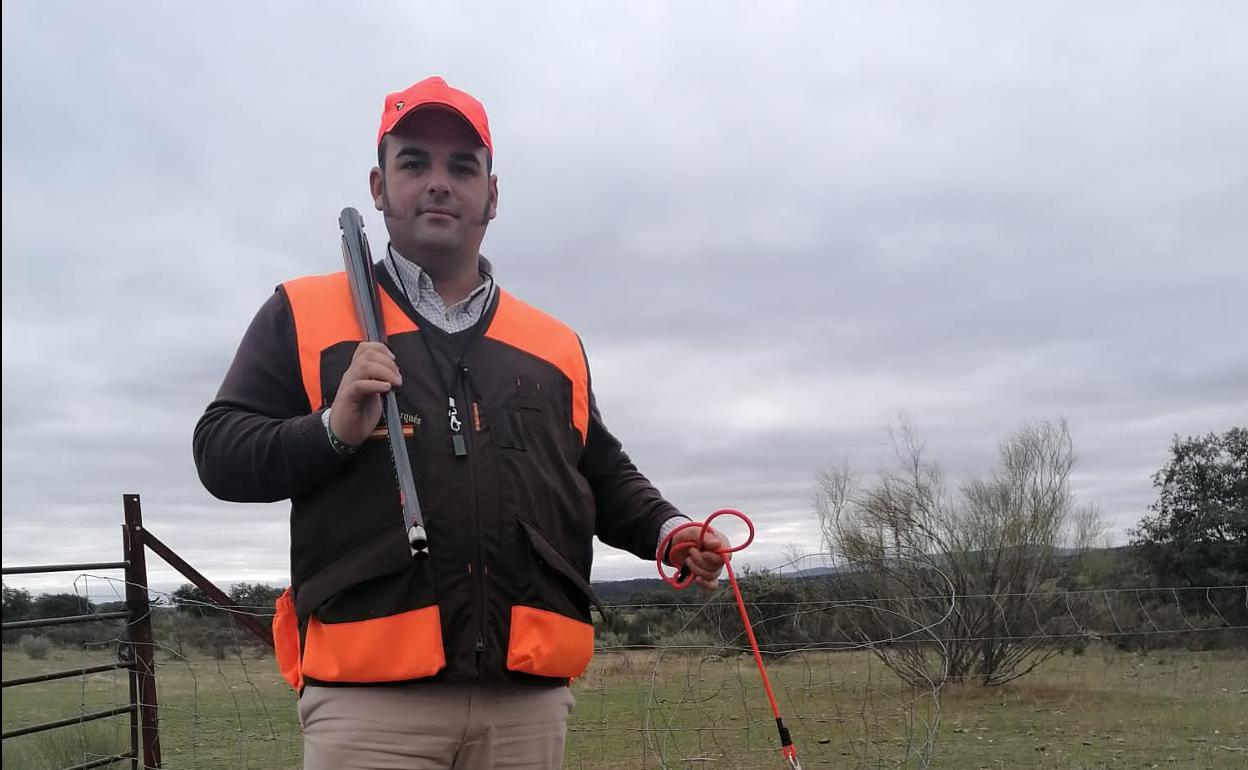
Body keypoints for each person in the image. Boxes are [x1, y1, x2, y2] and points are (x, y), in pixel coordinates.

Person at [193, 75, 727, 770]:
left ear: (492, 195)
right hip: (370, 708)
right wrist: (332, 428)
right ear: (379, 187)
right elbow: (220, 450)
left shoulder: (554, 343)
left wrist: (670, 530)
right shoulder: (302, 313)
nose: (438, 183)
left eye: (461, 167)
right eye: (414, 162)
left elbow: (599, 471)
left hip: (527, 702)